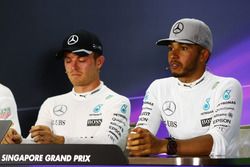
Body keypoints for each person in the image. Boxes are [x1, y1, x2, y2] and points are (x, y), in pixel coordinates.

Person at [127, 18, 243, 157]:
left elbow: (217, 143)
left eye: (183, 48)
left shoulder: (227, 87)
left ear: (203, 55)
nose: (173, 56)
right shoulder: (158, 87)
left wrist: (163, 146)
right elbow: (142, 135)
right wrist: (138, 142)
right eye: (171, 48)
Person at [3, 30, 131, 150]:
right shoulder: (51, 103)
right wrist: (18, 142)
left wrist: (60, 140)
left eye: (81, 60)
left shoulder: (118, 102)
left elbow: (109, 144)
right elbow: (36, 145)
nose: (73, 67)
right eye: (68, 61)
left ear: (99, 62)